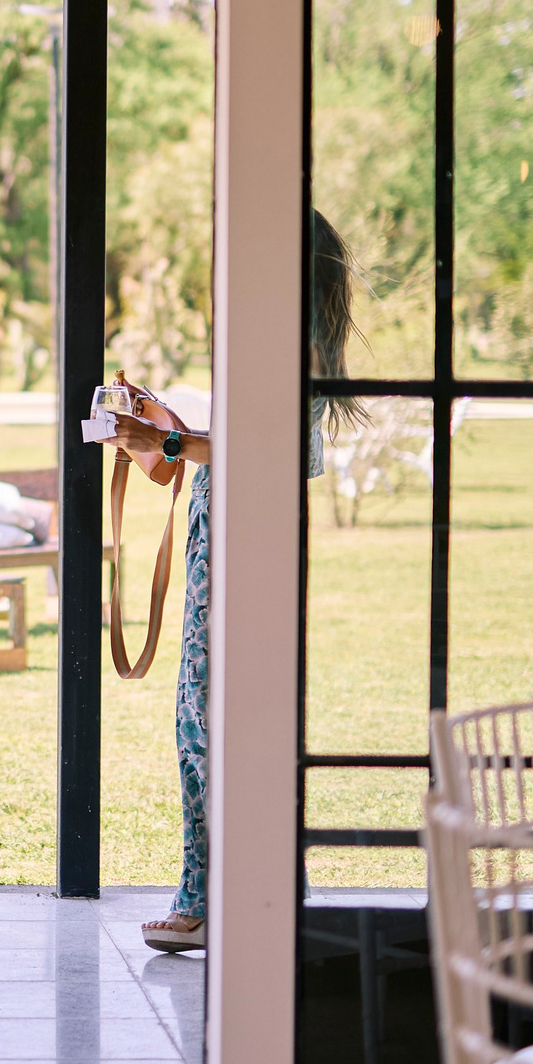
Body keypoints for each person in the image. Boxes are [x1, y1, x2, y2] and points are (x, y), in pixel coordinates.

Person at [103, 209, 356, 956]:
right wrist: (165, 427)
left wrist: (172, 439)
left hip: (249, 553)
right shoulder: (268, 329)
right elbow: (239, 442)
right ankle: (229, 895)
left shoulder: (295, 337)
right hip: (223, 547)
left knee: (210, 727)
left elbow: (284, 450)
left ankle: (224, 899)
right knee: (205, 723)